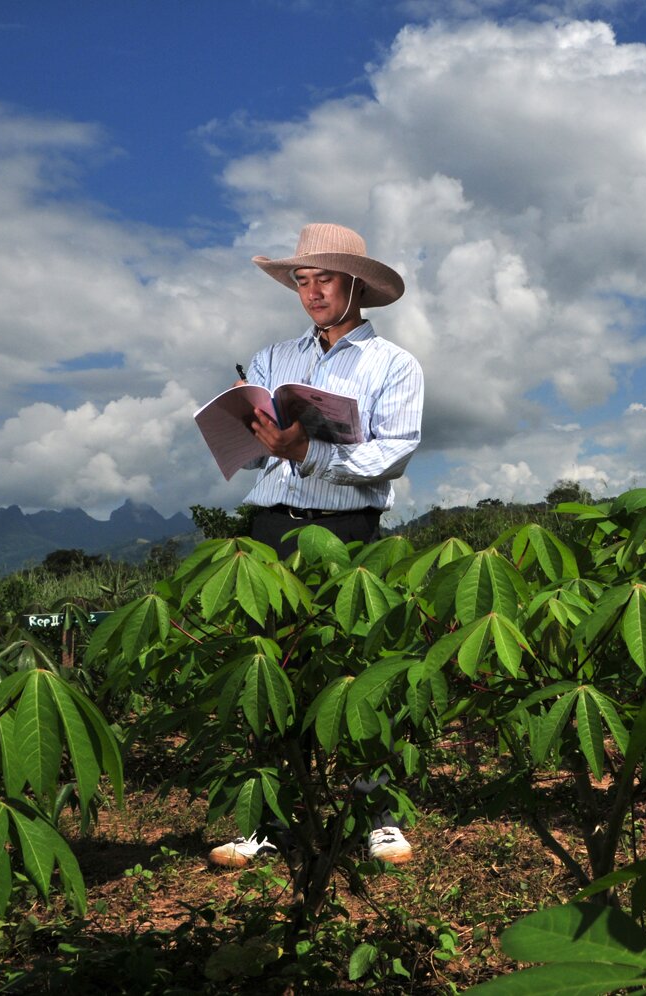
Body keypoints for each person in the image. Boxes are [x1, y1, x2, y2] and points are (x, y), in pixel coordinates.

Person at [209, 222, 422, 869]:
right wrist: (257, 440)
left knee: (356, 668)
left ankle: (376, 815)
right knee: (272, 671)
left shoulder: (394, 365)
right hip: (272, 527)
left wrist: (312, 451)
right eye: (301, 281)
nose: (311, 292)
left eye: (323, 279)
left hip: (348, 530)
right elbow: (257, 459)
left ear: (355, 284)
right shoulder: (274, 358)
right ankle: (268, 822)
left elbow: (393, 453)